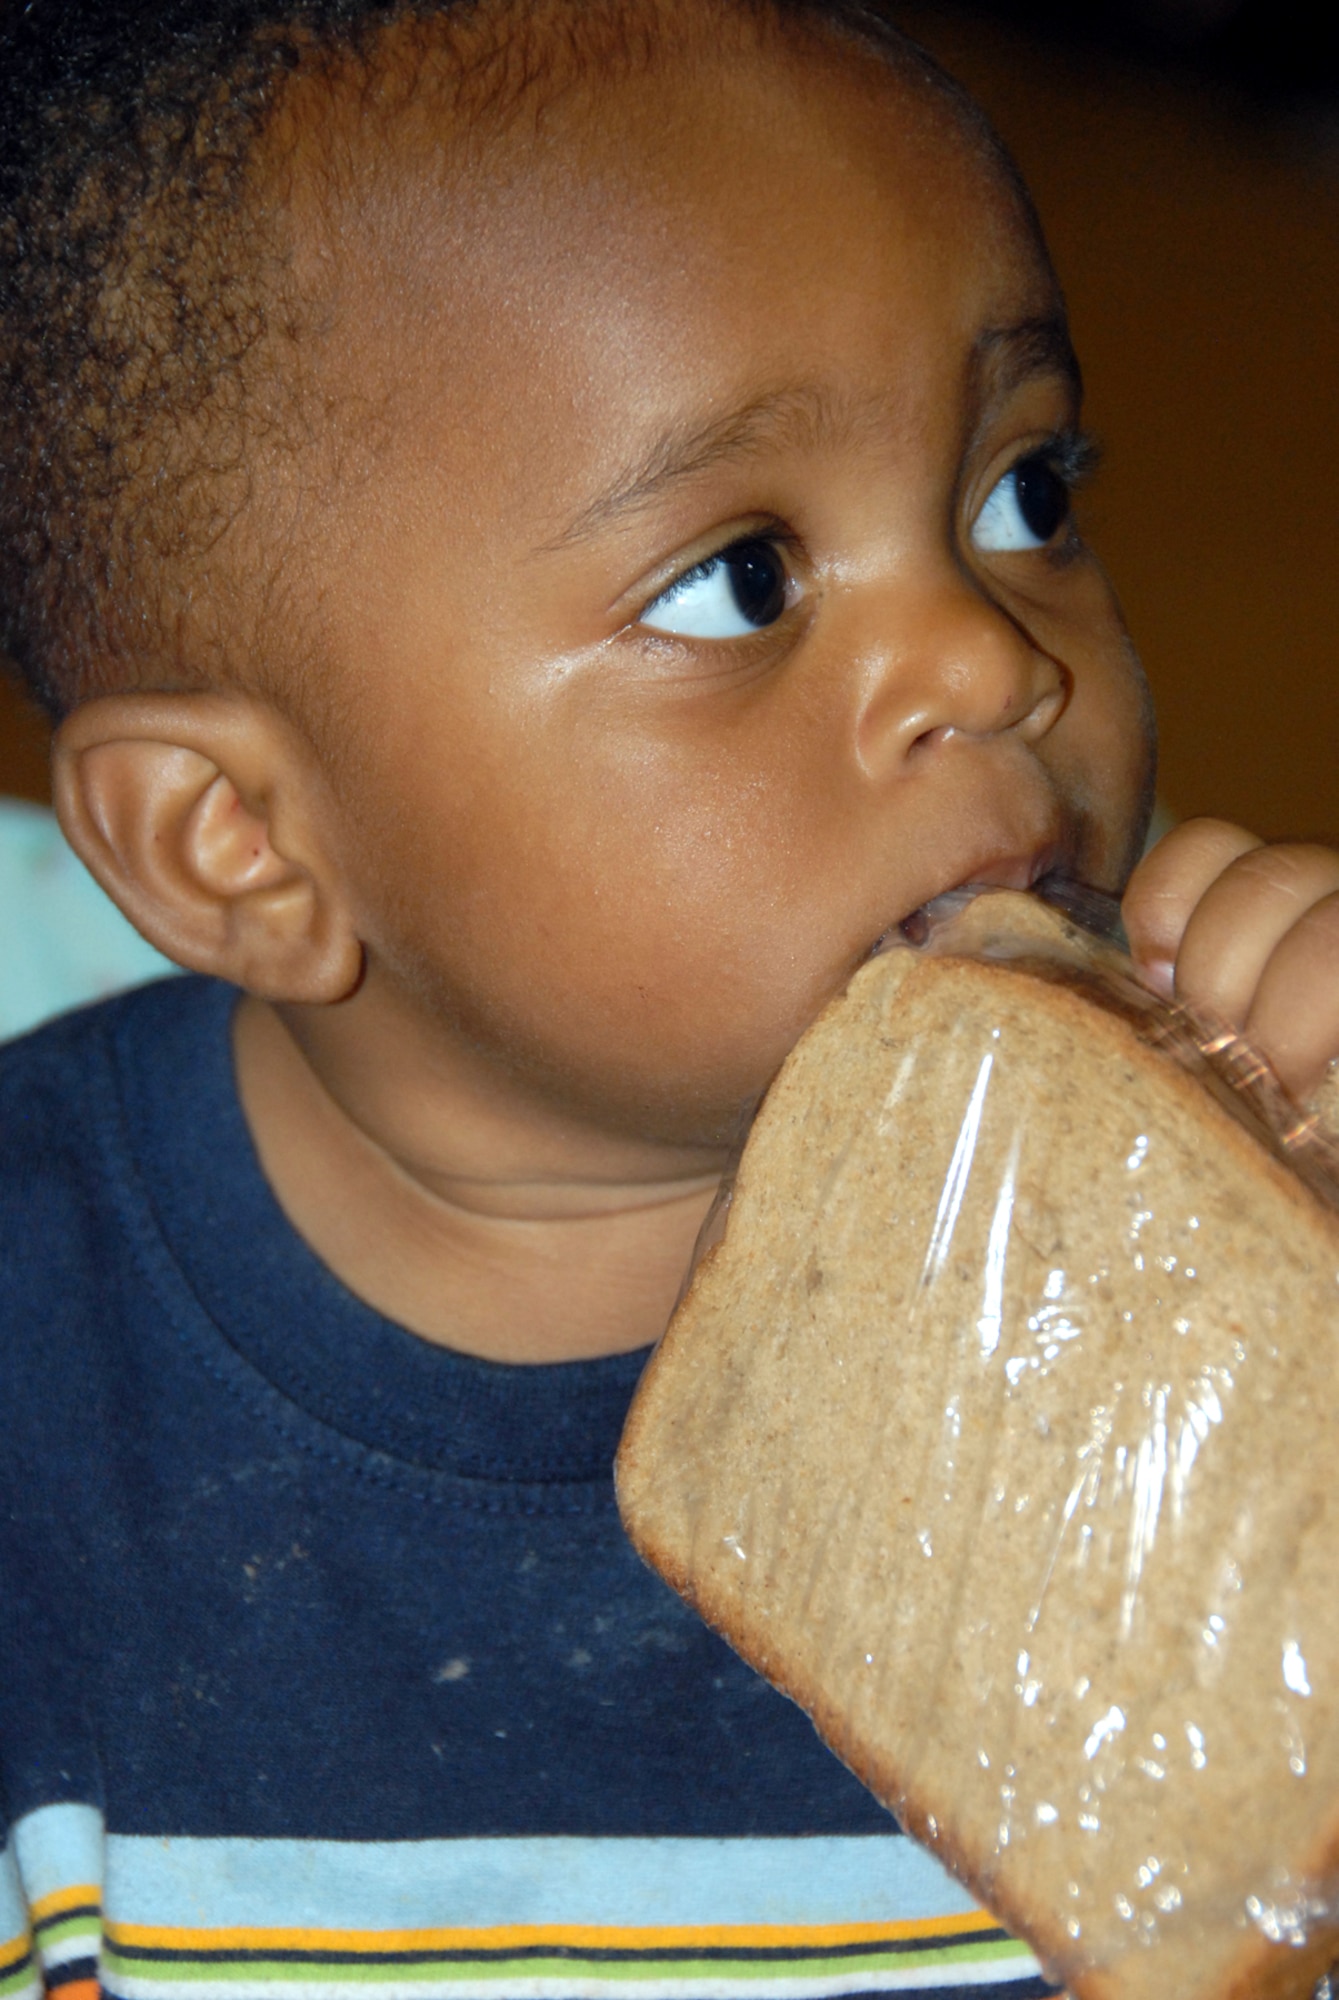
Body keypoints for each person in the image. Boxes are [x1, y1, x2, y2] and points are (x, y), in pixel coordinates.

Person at [2, 0, 1337, 1993]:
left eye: (1020, 495)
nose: (984, 663)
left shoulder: (1237, 1221)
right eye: (741, 578)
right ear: (240, 848)